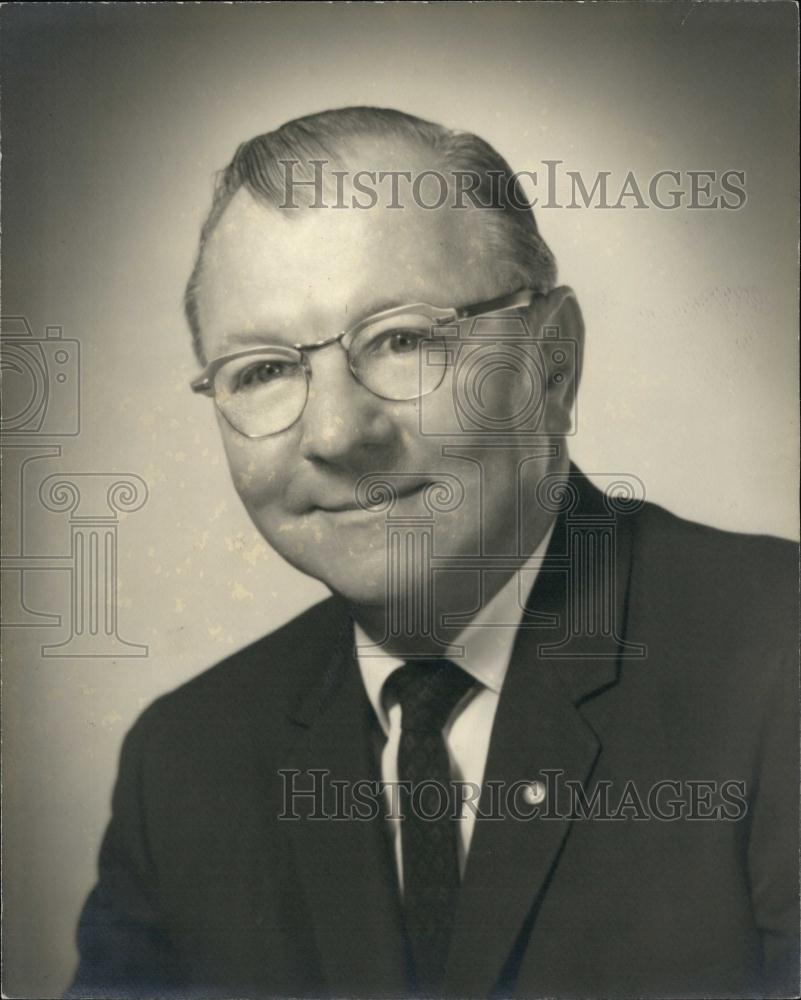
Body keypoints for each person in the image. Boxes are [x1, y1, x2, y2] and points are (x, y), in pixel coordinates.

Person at [68, 107, 798, 999]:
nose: (336, 434)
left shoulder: (776, 657)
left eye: (404, 340)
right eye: (263, 369)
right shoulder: (183, 763)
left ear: (552, 362)